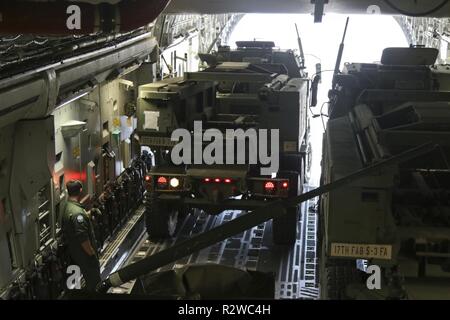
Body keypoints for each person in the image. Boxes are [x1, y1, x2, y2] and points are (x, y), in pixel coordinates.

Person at [61, 180, 101, 292]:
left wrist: (88, 213)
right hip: (84, 254)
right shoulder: (78, 213)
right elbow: (83, 237)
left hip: (75, 252)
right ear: (80, 191)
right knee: (95, 283)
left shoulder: (68, 206)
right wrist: (92, 254)